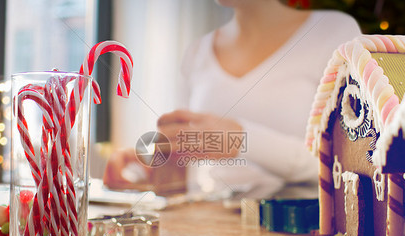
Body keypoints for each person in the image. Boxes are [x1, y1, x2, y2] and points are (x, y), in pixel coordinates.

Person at [103, 0, 361, 198]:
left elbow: (349, 166)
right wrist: (143, 167)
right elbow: (184, 162)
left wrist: (240, 138)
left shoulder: (333, 31)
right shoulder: (197, 52)